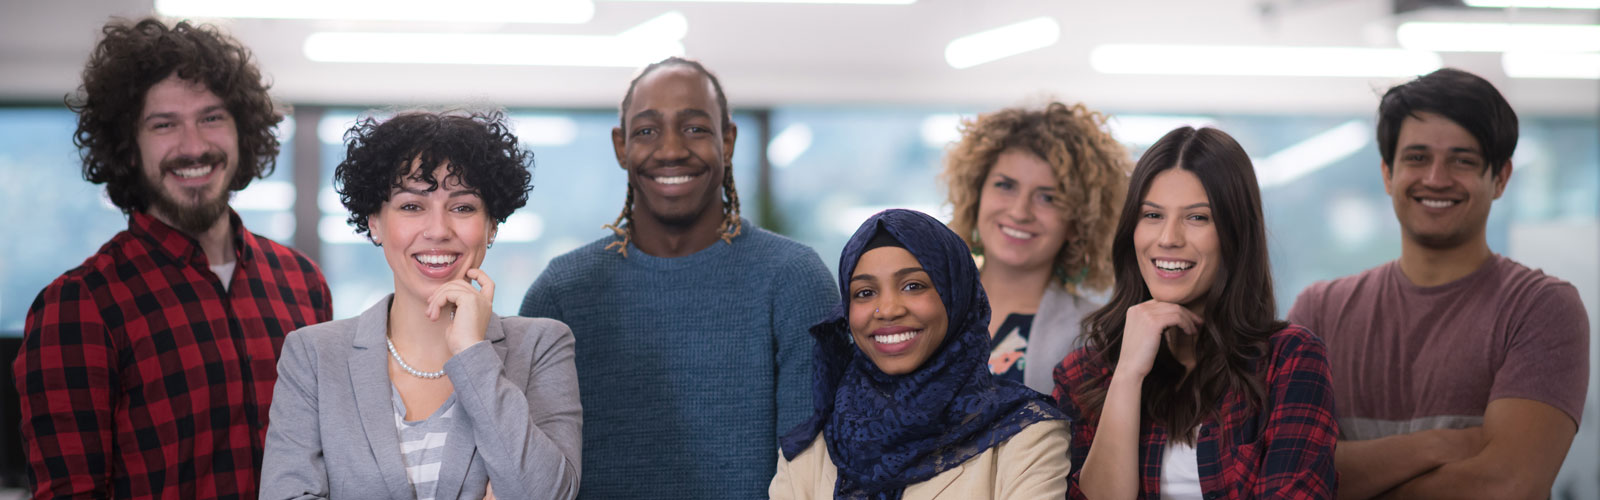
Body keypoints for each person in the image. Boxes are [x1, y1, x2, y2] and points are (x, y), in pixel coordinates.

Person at [12, 18, 332, 500]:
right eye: (164, 124)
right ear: (128, 147)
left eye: (212, 117)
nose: (194, 146)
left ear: (242, 131)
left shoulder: (301, 282)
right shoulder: (78, 307)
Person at [518, 56, 835, 499]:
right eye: (647, 130)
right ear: (620, 146)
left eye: (695, 128)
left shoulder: (794, 281)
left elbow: (817, 474)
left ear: (728, 140)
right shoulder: (561, 293)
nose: (670, 149)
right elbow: (527, 473)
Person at [1287, 68, 1589, 500]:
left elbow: (1508, 486)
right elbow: (1288, 477)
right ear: (1388, 173)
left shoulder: (1539, 310)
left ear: (1500, 178)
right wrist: (1442, 444)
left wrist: (1347, 477)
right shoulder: (1318, 313)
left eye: (1462, 160)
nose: (1435, 178)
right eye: (1416, 158)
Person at [259, 110, 580, 500]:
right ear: (374, 221)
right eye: (412, 206)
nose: (438, 230)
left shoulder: (542, 346)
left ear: (492, 225)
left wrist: (473, 355)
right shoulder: (313, 355)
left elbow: (546, 494)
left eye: (462, 207)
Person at [1053, 127, 1337, 499]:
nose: (1169, 238)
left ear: (1234, 234)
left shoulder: (1290, 360)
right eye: (1152, 214)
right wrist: (1127, 376)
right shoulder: (1084, 374)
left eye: (1197, 218)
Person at [770, 209, 1070, 499]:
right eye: (864, 292)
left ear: (956, 297)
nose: (887, 310)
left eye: (913, 286)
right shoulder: (809, 453)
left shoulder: (1028, 436)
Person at [942, 101, 1130, 395]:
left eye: (1048, 198)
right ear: (975, 194)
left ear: (1077, 221)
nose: (1020, 212)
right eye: (1005, 186)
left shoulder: (1097, 336)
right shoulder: (927, 303)